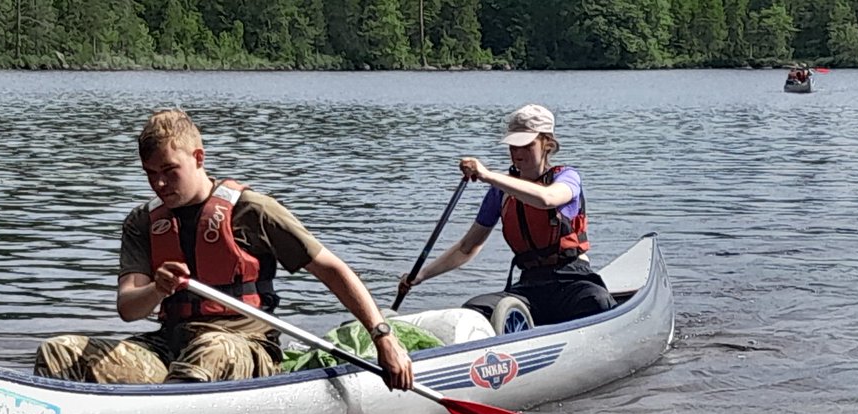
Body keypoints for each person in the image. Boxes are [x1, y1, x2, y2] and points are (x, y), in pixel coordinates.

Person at [34, 109, 413, 390]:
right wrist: (158, 289)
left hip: (246, 348)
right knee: (60, 351)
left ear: (198, 159)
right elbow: (129, 309)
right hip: (170, 348)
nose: (160, 183)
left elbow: (333, 270)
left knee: (212, 348)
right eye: (150, 173)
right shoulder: (142, 222)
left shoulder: (252, 210)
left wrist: (384, 337)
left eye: (170, 170)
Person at [397, 104, 614, 326]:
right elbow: (466, 248)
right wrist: (421, 276)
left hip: (572, 279)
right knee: (474, 310)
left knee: (596, 301)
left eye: (526, 145)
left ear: (547, 143)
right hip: (530, 285)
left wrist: (487, 175)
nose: (517, 153)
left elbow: (547, 198)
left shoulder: (567, 178)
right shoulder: (500, 192)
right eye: (513, 146)